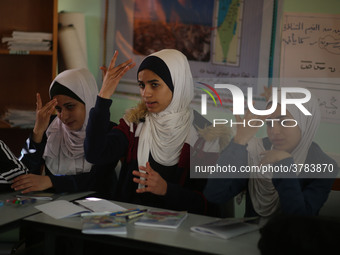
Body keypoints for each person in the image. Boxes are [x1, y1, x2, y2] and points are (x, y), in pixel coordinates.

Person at [85, 49, 230, 215]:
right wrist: (104, 96)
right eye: (142, 85)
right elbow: (94, 154)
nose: (145, 93)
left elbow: (209, 205)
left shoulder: (205, 137)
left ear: (177, 84)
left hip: (179, 236)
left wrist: (167, 190)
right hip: (130, 230)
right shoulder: (134, 125)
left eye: (154, 85)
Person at [203, 91, 338, 217]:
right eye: (269, 123)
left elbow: (298, 218)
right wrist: (239, 141)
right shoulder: (256, 150)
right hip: (249, 237)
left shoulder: (324, 165)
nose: (274, 131)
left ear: (305, 123)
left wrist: (284, 164)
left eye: (284, 122)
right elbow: (215, 195)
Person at [11, 68, 118, 198]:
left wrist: (51, 181)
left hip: (97, 211)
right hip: (51, 208)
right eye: (58, 109)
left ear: (88, 101)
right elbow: (23, 173)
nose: (63, 117)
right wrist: (37, 132)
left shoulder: (109, 131)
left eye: (70, 106)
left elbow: (97, 181)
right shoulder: (52, 127)